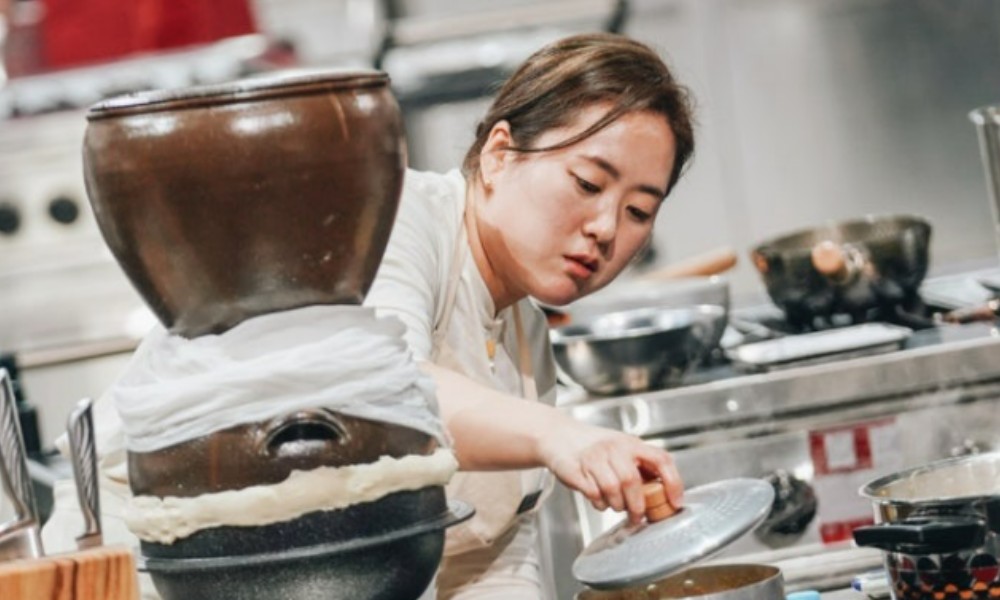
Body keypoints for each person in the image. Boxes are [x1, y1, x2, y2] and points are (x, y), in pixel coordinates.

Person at [362, 31, 696, 599]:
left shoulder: (527, 337)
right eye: (588, 183)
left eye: (638, 211)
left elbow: (489, 552)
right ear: (499, 155)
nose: (606, 228)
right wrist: (559, 435)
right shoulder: (401, 217)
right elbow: (383, 390)